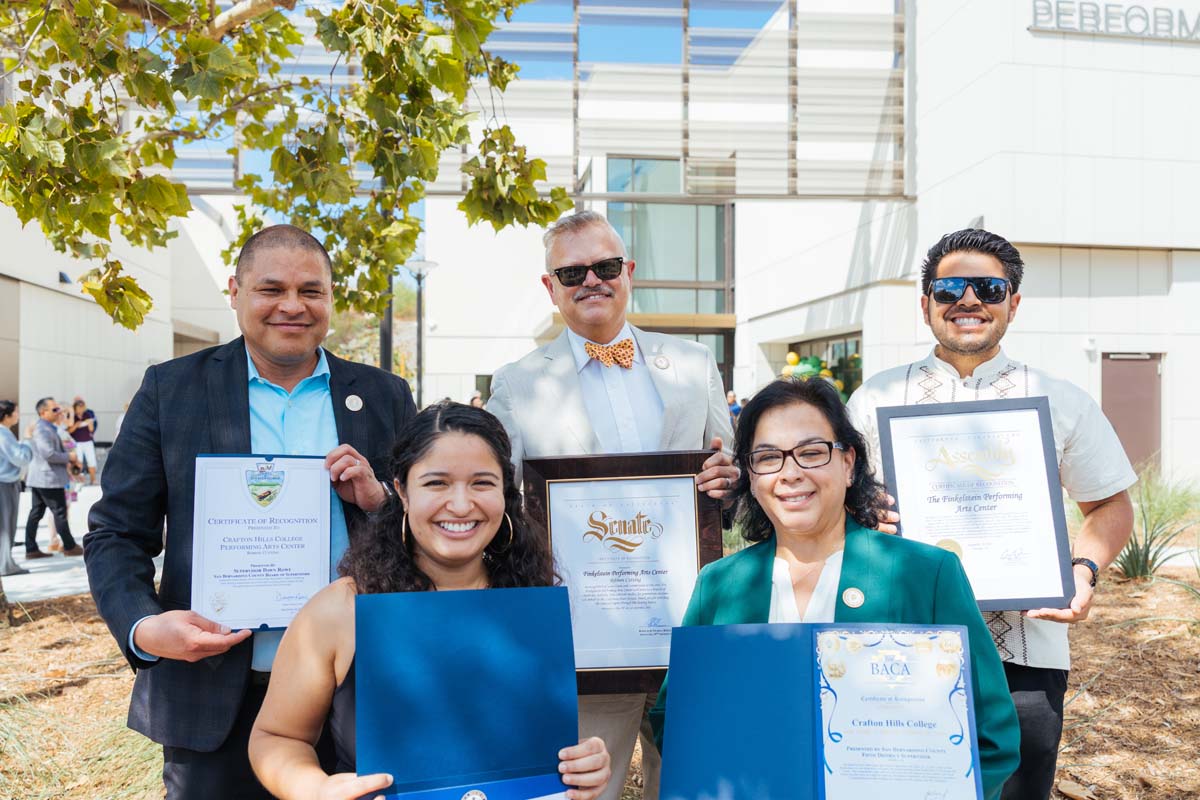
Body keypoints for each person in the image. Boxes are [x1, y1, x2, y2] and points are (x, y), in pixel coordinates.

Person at [84, 224, 418, 800]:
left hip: (359, 689)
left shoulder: (385, 394)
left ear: (331, 298)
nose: (293, 305)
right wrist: (144, 626)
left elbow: (428, 526)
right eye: (272, 289)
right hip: (216, 697)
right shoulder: (172, 390)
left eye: (311, 290)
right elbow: (116, 531)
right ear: (235, 291)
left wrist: (381, 501)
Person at [846, 228, 1136, 800]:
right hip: (894, 642)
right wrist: (863, 512)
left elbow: (1110, 503)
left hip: (1026, 648)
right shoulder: (872, 399)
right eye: (950, 286)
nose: (969, 300)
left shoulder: (1060, 398)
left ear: (1014, 304)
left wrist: (1083, 571)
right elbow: (836, 503)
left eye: (989, 287)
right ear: (926, 303)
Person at [650, 377, 1020, 799]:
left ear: (847, 463)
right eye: (768, 457)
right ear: (751, 477)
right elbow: (673, 718)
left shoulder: (927, 574)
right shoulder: (719, 584)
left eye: (811, 453)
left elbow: (993, 737)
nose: (790, 474)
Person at [487, 210, 739, 800]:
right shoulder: (518, 383)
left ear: (628, 272)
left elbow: (729, 477)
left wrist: (729, 484)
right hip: (587, 639)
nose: (590, 281)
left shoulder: (695, 363)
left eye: (603, 267)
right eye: (572, 272)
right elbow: (498, 500)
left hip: (691, 625)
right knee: (582, 793)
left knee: (692, 784)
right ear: (550, 287)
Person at [249, 402, 613, 800]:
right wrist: (315, 789)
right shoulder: (342, 609)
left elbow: (542, 750)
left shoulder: (534, 605)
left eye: (482, 483)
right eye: (437, 483)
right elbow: (276, 737)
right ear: (402, 491)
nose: (460, 505)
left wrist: (586, 767)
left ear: (505, 494)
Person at [23, 397, 82, 558]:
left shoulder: (47, 427)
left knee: (36, 513)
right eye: (55, 409)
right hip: (48, 478)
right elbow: (48, 453)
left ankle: (31, 548)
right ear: (43, 412)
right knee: (59, 512)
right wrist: (69, 456)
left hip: (42, 477)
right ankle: (69, 546)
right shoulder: (43, 429)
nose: (59, 412)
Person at [0, 400, 33, 575]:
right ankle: (5, 565)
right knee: (6, 525)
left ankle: (5, 563)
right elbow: (21, 458)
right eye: (16, 412)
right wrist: (27, 440)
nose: (18, 415)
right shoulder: (3, 434)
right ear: (6, 416)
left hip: (5, 483)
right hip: (4, 484)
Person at [69, 397, 98, 485]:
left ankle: (93, 480)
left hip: (88, 441)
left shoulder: (88, 415)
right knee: (78, 461)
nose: (80, 410)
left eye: (82, 407)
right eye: (78, 408)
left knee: (91, 460)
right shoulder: (72, 416)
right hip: (77, 442)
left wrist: (90, 424)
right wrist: (76, 425)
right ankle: (78, 480)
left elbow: (92, 430)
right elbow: (69, 431)